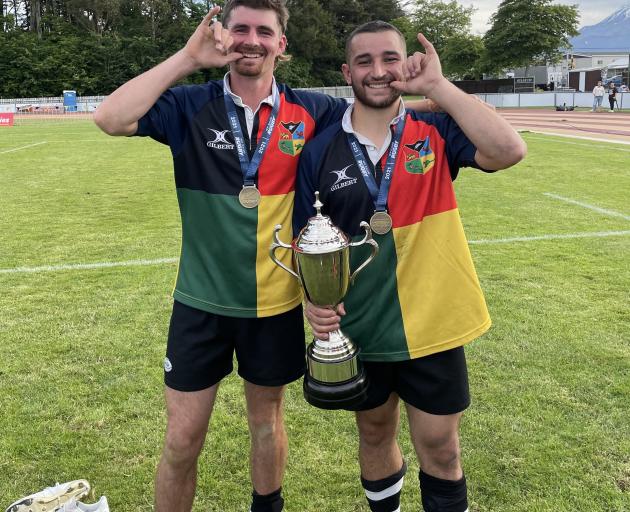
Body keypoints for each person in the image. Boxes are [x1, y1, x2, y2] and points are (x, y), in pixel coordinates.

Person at [93, 2, 437, 511]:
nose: (251, 40)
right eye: (241, 29)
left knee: (265, 424)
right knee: (182, 439)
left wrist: (424, 84)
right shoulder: (190, 105)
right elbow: (110, 117)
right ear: (225, 38)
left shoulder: (314, 110)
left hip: (275, 306)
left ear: (281, 45)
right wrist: (188, 58)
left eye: (264, 31)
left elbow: (390, 105)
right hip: (201, 303)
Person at [293, 21, 526, 512]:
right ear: (347, 72)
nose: (378, 71)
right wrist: (315, 304)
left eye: (389, 59)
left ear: (406, 65)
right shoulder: (319, 151)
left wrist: (438, 87)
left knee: (441, 447)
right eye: (364, 61)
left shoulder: (436, 130)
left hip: (434, 323)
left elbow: (509, 151)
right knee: (375, 433)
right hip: (364, 325)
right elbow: (306, 245)